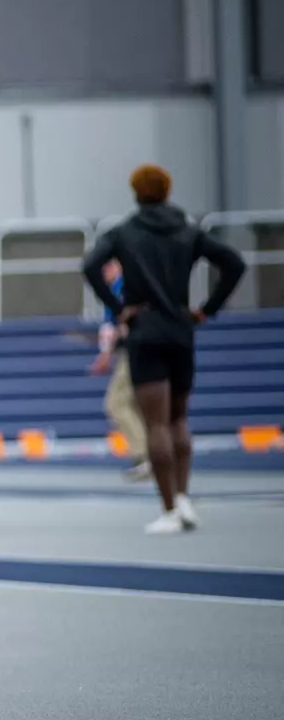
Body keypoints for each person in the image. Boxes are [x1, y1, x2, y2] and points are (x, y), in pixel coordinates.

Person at [83, 165, 247, 534]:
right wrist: (207, 309)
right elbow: (234, 264)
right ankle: (186, 499)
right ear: (167, 191)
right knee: (178, 420)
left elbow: (91, 265)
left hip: (145, 331)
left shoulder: (124, 233)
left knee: (156, 423)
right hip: (180, 329)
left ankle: (170, 507)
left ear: (136, 193)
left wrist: (119, 305)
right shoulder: (188, 231)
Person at [89, 259, 151, 482]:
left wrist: (105, 356)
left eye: (106, 267)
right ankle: (151, 455)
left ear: (118, 265)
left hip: (135, 352)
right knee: (134, 404)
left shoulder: (121, 288)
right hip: (140, 350)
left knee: (115, 403)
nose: (103, 272)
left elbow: (119, 324)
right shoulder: (122, 289)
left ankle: (144, 456)